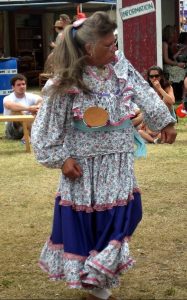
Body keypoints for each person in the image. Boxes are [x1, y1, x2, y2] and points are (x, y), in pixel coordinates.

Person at [31, 12, 177, 300]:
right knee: (92, 222)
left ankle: (98, 275)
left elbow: (142, 90)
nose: (115, 49)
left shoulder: (119, 65)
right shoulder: (65, 80)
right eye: (109, 45)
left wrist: (165, 121)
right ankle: (96, 284)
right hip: (83, 167)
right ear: (89, 49)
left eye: (116, 43)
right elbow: (45, 129)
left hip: (118, 159)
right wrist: (61, 159)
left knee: (125, 215)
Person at [3, 74, 42, 140]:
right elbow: (9, 105)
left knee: (37, 109)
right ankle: (30, 134)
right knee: (16, 111)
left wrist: (37, 107)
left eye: (23, 84)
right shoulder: (8, 98)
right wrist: (29, 108)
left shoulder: (30, 96)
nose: (22, 86)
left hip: (28, 126)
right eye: (18, 85)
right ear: (13, 87)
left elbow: (42, 100)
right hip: (13, 130)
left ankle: (28, 134)